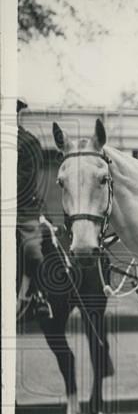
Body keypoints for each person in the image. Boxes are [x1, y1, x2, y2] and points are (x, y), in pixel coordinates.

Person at [16, 99, 49, 318]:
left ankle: (36, 295)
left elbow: (26, 181)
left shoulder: (28, 142)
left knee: (32, 251)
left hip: (22, 210)